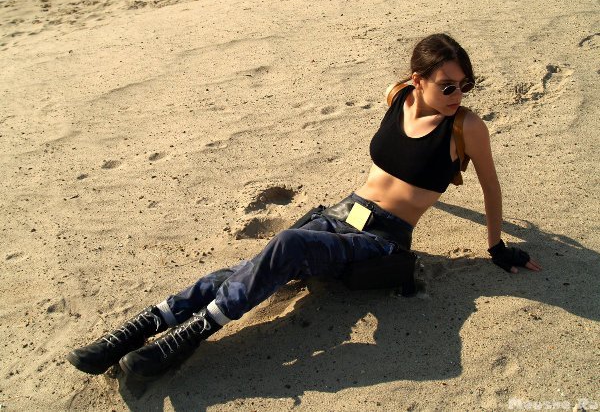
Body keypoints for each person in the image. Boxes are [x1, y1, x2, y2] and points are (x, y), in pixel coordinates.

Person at [66, 33, 542, 381]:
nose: (458, 95)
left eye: (465, 85)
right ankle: (140, 328)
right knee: (248, 268)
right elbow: (403, 161)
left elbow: (489, 185)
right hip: (342, 213)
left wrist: (497, 247)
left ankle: (189, 336)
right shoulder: (398, 97)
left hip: (381, 241)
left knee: (287, 244)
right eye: (448, 85)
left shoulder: (465, 127)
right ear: (417, 80)